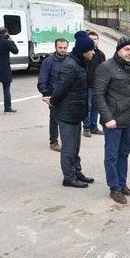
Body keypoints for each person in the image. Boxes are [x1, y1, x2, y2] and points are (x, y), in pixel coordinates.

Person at [46, 31, 96, 188]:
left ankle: (76, 172)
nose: (93, 53)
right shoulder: (70, 66)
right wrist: (52, 101)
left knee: (75, 147)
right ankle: (69, 177)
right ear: (83, 51)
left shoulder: (79, 63)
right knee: (68, 148)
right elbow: (60, 89)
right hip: (67, 114)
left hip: (76, 113)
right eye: (91, 50)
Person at [94, 36, 130, 204]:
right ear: (118, 50)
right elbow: (98, 95)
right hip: (113, 121)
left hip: (127, 119)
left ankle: (122, 184)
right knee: (112, 156)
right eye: (127, 49)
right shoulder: (106, 67)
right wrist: (107, 118)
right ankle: (114, 188)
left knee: (124, 153)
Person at [37, 38, 68, 151]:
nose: (62, 50)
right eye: (60, 48)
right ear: (55, 47)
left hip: (67, 95)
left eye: (65, 48)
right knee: (54, 119)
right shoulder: (48, 61)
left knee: (67, 119)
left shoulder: (69, 61)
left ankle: (67, 141)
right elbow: (42, 78)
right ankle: (53, 142)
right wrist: (45, 92)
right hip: (53, 96)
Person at [83, 31, 106, 137]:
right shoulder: (84, 54)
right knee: (87, 107)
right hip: (86, 85)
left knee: (96, 107)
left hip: (98, 86)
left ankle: (94, 127)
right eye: (91, 39)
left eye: (95, 39)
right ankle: (86, 128)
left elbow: (105, 71)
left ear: (98, 40)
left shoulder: (101, 54)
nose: (93, 41)